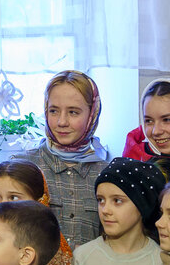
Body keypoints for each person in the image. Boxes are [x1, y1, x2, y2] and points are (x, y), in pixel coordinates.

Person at [12, 71, 111, 249]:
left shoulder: (106, 174)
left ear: (92, 115)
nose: (61, 122)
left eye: (73, 112)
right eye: (54, 111)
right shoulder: (22, 167)